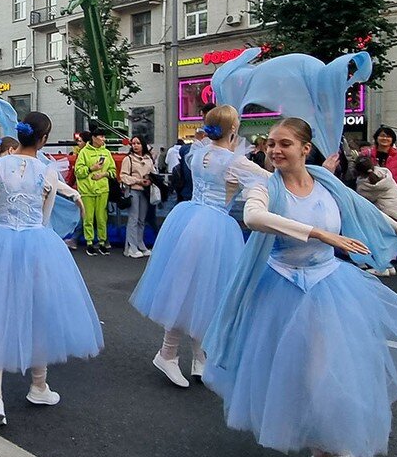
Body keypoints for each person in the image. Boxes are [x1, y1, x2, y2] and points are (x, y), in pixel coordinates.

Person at [204, 118, 397, 457]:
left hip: (328, 285)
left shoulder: (327, 183)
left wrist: (391, 225)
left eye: (284, 144)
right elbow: (254, 218)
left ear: (304, 148)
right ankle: (321, 456)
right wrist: (319, 233)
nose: (275, 150)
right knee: (296, 375)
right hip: (280, 287)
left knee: (325, 370)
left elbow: (357, 205)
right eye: (271, 144)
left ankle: (342, 453)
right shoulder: (265, 184)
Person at [0, 112, 101, 426]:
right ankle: (38, 384)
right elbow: (52, 208)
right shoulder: (47, 171)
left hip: (0, 243)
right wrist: (76, 201)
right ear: (44, 139)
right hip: (38, 245)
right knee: (39, 313)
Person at [129, 106, 268, 387]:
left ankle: (197, 357)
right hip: (215, 226)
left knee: (193, 289)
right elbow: (272, 181)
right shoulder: (236, 162)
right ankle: (171, 354)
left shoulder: (197, 153)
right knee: (204, 290)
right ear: (233, 129)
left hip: (189, 220)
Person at [74, 128, 116, 256]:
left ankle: (102, 243)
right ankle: (90, 243)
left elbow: (113, 172)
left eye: (104, 137)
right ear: (94, 137)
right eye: (101, 136)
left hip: (103, 190)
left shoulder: (107, 153)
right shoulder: (84, 153)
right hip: (87, 190)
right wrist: (92, 168)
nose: (103, 139)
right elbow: (78, 172)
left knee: (102, 218)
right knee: (88, 218)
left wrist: (104, 174)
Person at [118, 135, 157, 258]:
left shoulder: (148, 159)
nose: (135, 146)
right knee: (133, 219)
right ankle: (131, 247)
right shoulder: (128, 159)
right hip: (133, 190)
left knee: (141, 220)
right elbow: (123, 176)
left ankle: (140, 244)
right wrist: (137, 180)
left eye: (138, 143)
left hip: (145, 191)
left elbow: (154, 173)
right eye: (133, 143)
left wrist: (150, 180)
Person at [361, 127, 397, 202]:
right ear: (376, 138)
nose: (385, 138)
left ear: (392, 139)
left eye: (388, 136)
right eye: (382, 136)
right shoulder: (366, 154)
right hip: (369, 193)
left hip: (390, 194)